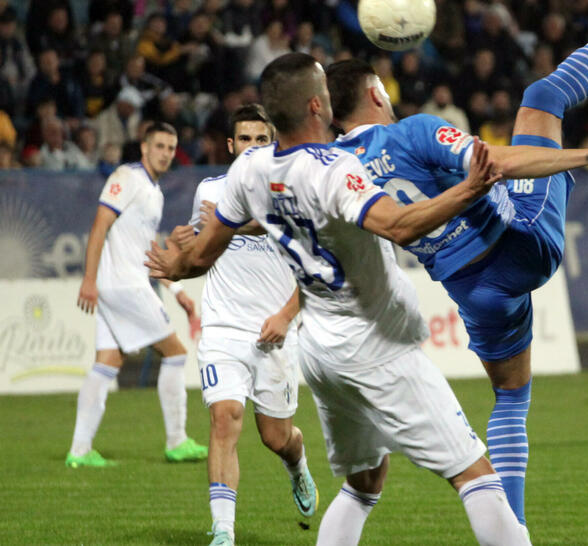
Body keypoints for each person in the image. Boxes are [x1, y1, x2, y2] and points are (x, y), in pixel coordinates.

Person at [327, 0, 588, 528]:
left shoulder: (329, 168)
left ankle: (516, 530)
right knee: (543, 99)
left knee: (511, 396)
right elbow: (499, 161)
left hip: (469, 289)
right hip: (519, 241)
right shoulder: (414, 132)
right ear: (378, 94)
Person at [146, 53, 530, 546]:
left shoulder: (249, 173)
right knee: (475, 474)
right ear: (315, 104)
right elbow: (397, 224)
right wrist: (470, 189)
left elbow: (201, 256)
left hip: (322, 352)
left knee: (364, 483)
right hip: (375, 343)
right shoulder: (334, 168)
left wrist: (177, 265)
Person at [182, 104, 318, 545]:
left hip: (276, 332)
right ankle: (223, 530)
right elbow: (198, 251)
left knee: (277, 437)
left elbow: (312, 267)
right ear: (230, 145)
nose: (253, 147)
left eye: (263, 140)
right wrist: (179, 257)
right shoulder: (209, 190)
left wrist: (286, 316)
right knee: (226, 417)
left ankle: (297, 466)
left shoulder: (291, 194)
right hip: (223, 327)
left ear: (273, 142)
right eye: (246, 139)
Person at [67, 122, 208, 468]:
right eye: (159, 146)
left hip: (118, 285)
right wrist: (88, 279)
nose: (165, 153)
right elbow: (100, 224)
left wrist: (175, 289)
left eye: (171, 148)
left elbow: (147, 251)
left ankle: (79, 450)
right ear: (144, 148)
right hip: (124, 286)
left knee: (107, 362)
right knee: (175, 353)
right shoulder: (127, 177)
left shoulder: (154, 193)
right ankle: (177, 441)